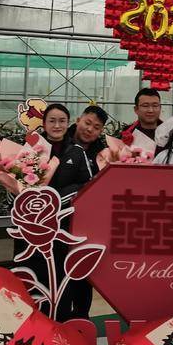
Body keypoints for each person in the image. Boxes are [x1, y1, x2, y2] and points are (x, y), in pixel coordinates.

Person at [51, 105, 108, 321]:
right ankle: (61, 319)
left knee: (83, 274)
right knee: (60, 274)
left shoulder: (103, 153)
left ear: (101, 131)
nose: (90, 129)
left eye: (96, 127)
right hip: (58, 225)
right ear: (78, 120)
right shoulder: (60, 144)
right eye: (87, 123)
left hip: (87, 226)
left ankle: (82, 320)